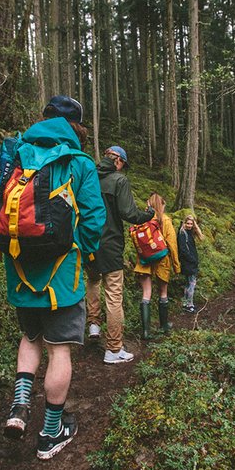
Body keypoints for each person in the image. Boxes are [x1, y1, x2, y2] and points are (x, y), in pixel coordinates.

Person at [0, 95, 106, 460]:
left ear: (43, 119)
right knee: (59, 350)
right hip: (62, 275)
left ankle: (19, 407)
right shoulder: (79, 162)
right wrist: (86, 252)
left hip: (19, 270)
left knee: (30, 337)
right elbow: (93, 219)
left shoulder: (16, 153)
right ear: (78, 126)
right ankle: (50, 432)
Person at [86, 145, 155, 364]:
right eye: (123, 165)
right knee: (114, 295)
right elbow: (129, 213)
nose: (122, 169)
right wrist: (149, 214)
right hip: (110, 243)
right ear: (118, 161)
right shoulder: (119, 180)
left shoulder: (88, 176)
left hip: (89, 242)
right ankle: (114, 349)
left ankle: (93, 324)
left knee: (93, 280)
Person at [134, 192, 180, 338]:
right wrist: (176, 265)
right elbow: (172, 244)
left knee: (146, 293)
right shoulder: (165, 220)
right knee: (163, 292)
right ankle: (164, 326)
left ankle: (146, 331)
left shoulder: (141, 219)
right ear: (162, 205)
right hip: (162, 261)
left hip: (144, 260)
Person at [177, 214, 203, 313]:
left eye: (191, 224)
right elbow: (183, 250)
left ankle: (185, 303)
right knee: (192, 283)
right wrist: (192, 259)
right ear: (184, 222)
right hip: (188, 262)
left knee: (188, 283)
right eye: (187, 223)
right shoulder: (182, 233)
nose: (189, 225)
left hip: (188, 262)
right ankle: (189, 304)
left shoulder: (187, 232)